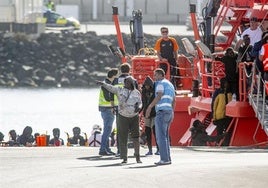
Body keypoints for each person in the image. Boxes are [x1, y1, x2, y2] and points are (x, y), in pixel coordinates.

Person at [96, 76, 143, 164]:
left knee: (136, 138)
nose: (126, 83)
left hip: (134, 116)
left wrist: (139, 107)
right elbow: (111, 88)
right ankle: (124, 157)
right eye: (125, 82)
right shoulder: (120, 90)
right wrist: (102, 84)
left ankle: (137, 157)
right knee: (123, 137)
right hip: (122, 116)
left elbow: (140, 103)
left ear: (132, 83)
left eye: (128, 82)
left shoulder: (137, 93)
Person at [146, 68, 175, 165]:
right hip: (169, 112)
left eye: (155, 75)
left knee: (161, 137)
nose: (154, 77)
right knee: (165, 136)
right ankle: (167, 158)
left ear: (160, 75)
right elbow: (174, 100)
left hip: (161, 112)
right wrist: (172, 112)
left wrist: (150, 107)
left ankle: (164, 159)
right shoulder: (170, 85)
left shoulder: (160, 84)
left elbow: (159, 95)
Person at [98, 68, 118, 155]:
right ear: (113, 76)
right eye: (117, 76)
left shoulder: (106, 83)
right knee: (107, 130)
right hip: (108, 108)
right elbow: (107, 97)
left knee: (107, 129)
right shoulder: (107, 85)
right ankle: (102, 149)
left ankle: (107, 148)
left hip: (104, 108)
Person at [141, 76, 159, 155]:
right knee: (147, 131)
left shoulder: (155, 90)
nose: (147, 87)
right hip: (146, 114)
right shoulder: (143, 91)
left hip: (154, 113)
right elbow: (143, 102)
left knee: (155, 131)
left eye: (148, 85)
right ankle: (150, 149)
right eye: (145, 85)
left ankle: (158, 149)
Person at [211, 78, 232, 146]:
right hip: (219, 116)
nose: (226, 84)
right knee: (219, 131)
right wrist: (214, 117)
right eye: (225, 83)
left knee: (228, 131)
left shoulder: (230, 92)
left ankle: (227, 143)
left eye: (227, 83)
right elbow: (214, 104)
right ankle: (218, 143)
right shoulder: (217, 92)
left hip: (228, 116)